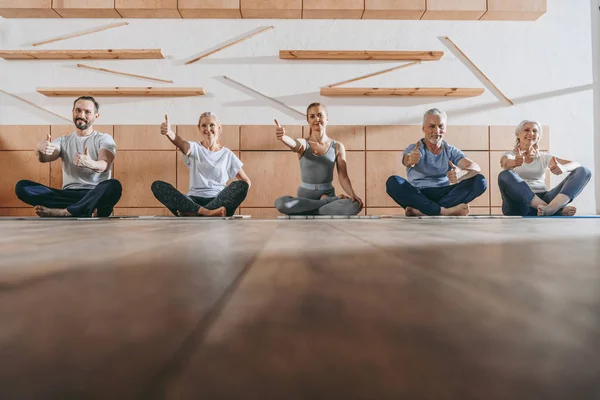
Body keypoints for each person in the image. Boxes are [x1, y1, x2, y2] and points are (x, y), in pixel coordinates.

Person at [15, 96, 122, 217]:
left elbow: (104, 164)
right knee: (22, 187)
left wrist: (90, 163)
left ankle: (66, 212)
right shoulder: (63, 140)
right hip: (67, 195)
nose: (81, 115)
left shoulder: (104, 138)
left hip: (94, 193)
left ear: (96, 116)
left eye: (87, 112)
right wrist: (39, 149)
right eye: (78, 110)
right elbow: (44, 158)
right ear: (72, 112)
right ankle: (83, 209)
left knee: (113, 186)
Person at [386, 108, 487, 217]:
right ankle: (445, 211)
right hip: (418, 194)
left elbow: (475, 167)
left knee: (480, 180)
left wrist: (461, 174)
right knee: (393, 182)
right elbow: (407, 159)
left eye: (440, 126)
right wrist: (410, 159)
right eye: (432, 126)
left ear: (445, 128)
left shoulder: (450, 150)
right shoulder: (414, 148)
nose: (437, 131)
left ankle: (423, 211)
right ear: (423, 128)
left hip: (445, 194)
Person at [151, 112, 250, 217]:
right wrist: (169, 133)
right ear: (199, 128)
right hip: (193, 201)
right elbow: (182, 145)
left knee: (242, 185)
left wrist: (233, 200)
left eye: (211, 124)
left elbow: (246, 181)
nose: (207, 128)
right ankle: (208, 213)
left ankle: (192, 213)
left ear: (219, 128)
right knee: (157, 186)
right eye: (203, 125)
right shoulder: (194, 147)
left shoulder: (227, 154)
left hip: (217, 200)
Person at [274, 103, 363, 216]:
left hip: (327, 192)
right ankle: (324, 204)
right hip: (305, 197)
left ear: (327, 118)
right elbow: (293, 144)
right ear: (308, 121)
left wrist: (352, 194)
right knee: (281, 203)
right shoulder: (303, 143)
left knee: (354, 205)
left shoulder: (337, 146)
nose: (317, 119)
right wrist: (283, 138)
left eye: (320, 115)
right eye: (312, 116)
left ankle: (307, 211)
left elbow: (343, 176)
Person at [498, 120, 591, 216]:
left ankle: (552, 207)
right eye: (526, 130)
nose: (531, 133)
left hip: (544, 197)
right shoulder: (510, 155)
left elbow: (576, 164)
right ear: (518, 134)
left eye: (535, 131)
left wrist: (564, 168)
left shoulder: (543, 157)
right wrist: (514, 162)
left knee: (584, 171)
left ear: (538, 137)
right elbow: (505, 163)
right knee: (505, 174)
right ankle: (555, 210)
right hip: (518, 205)